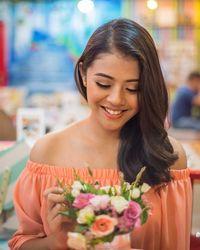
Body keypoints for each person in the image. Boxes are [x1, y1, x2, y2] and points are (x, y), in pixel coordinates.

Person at [9, 18, 192, 250]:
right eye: (104, 84)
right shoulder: (47, 152)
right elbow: (21, 242)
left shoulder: (168, 157)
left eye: (132, 88)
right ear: (84, 73)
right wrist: (54, 242)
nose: (116, 99)